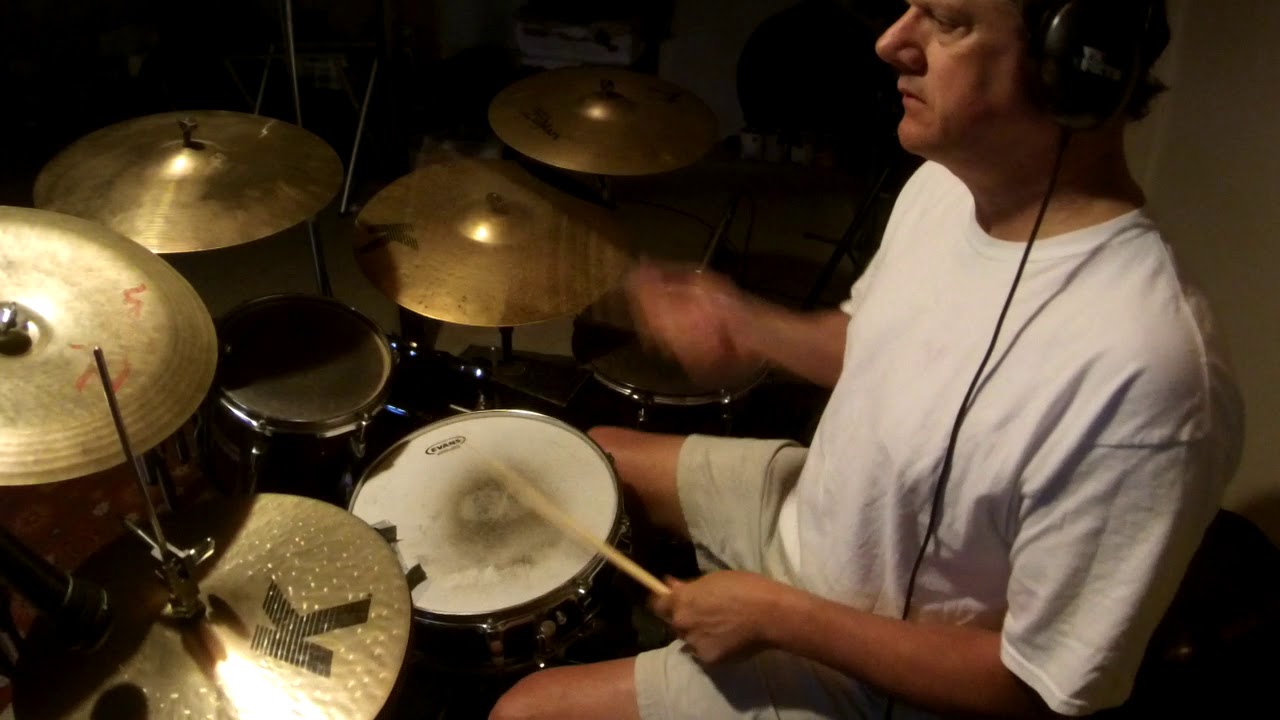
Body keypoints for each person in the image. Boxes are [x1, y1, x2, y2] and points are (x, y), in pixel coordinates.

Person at [490, 1, 1244, 718]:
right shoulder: (948, 185)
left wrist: (778, 616)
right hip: (815, 515)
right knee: (587, 459)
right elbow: (873, 343)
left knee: (520, 711)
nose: (891, 42)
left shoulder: (1147, 379)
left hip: (878, 681)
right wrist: (747, 324)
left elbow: (1034, 691)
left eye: (947, 21)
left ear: (1074, 67)